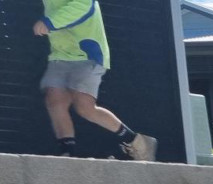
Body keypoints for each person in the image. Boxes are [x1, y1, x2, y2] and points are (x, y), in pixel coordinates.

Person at [33, 0, 156, 161]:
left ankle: (136, 141)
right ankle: (67, 152)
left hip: (88, 54)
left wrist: (49, 22)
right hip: (61, 54)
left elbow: (83, 6)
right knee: (54, 99)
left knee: (85, 107)